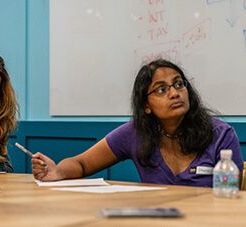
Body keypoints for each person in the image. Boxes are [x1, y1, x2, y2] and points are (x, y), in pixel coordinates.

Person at [32, 59, 244, 187]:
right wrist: (58, 172)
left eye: (179, 84)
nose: (174, 93)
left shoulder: (220, 134)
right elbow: (82, 163)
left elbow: (233, 197)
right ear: (146, 106)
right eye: (161, 89)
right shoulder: (136, 133)